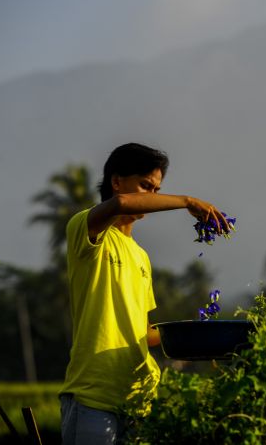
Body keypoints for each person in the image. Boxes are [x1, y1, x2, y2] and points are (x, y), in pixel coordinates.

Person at [58, 143, 229, 444]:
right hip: (94, 396)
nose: (152, 197)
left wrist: (193, 336)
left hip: (138, 399)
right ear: (116, 181)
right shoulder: (86, 230)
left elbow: (141, 331)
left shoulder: (141, 257)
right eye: (146, 186)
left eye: (157, 189)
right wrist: (187, 202)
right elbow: (122, 204)